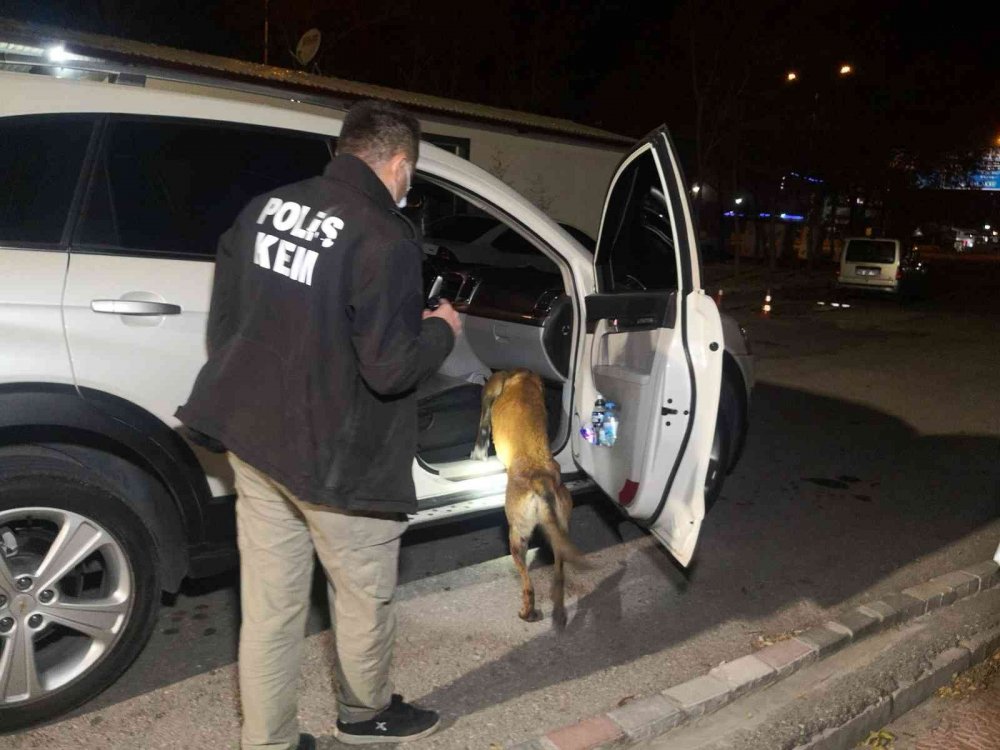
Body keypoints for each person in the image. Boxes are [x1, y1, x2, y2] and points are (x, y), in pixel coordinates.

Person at [177, 99, 461, 749]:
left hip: (256, 441)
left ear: (343, 149)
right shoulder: (384, 236)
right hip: (339, 462)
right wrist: (441, 331)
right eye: (409, 174)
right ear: (400, 164)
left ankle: (268, 741)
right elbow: (391, 370)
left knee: (270, 608)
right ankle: (364, 715)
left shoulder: (265, 208)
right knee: (362, 597)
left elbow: (227, 327)